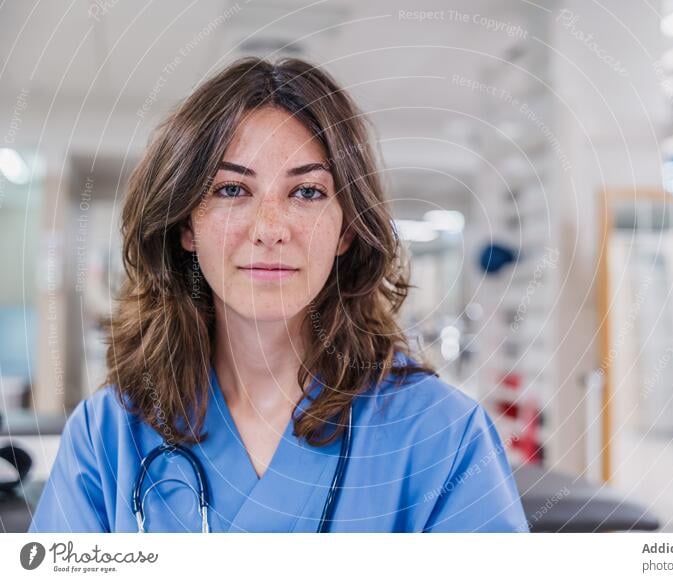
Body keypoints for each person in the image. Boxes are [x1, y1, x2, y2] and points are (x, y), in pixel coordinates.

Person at [28, 57, 527, 533]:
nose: (269, 229)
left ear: (347, 230)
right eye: (231, 190)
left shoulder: (443, 438)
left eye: (307, 192)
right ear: (186, 225)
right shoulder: (107, 438)